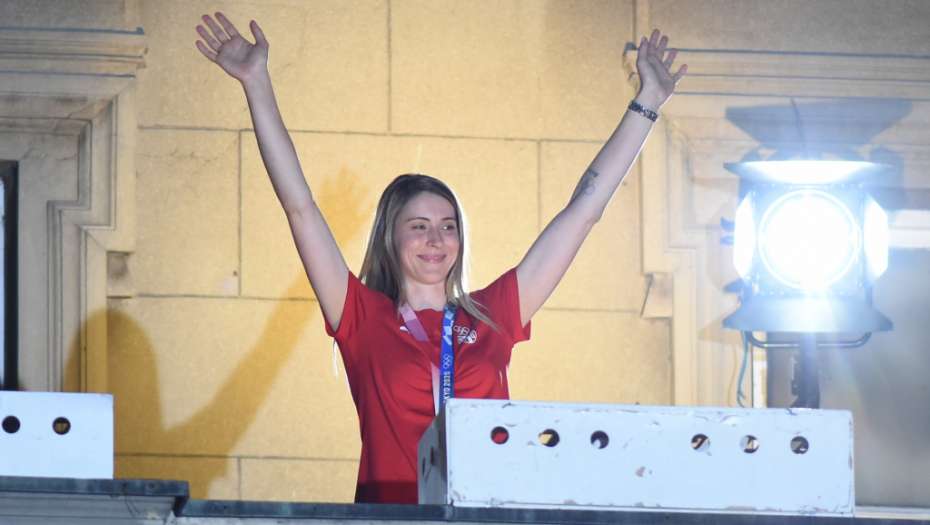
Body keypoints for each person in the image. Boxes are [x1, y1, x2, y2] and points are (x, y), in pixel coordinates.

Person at [195, 12, 685, 504]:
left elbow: (582, 213)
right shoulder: (361, 316)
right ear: (391, 238)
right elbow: (300, 207)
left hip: (486, 514)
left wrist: (647, 103)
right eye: (419, 226)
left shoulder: (494, 314)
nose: (436, 239)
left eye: (448, 226)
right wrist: (257, 84)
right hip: (392, 516)